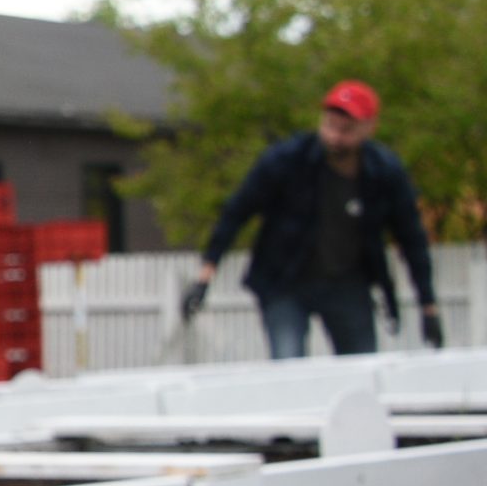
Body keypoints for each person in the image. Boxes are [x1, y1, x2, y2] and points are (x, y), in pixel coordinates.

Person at [183, 79, 441, 357]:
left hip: (348, 284)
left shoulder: (385, 173)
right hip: (285, 280)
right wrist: (204, 277)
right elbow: (236, 212)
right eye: (330, 125)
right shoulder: (287, 160)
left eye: (346, 130)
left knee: (361, 368)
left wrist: (429, 307)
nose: (335, 136)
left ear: (369, 127)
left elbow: (412, 238)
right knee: (290, 368)